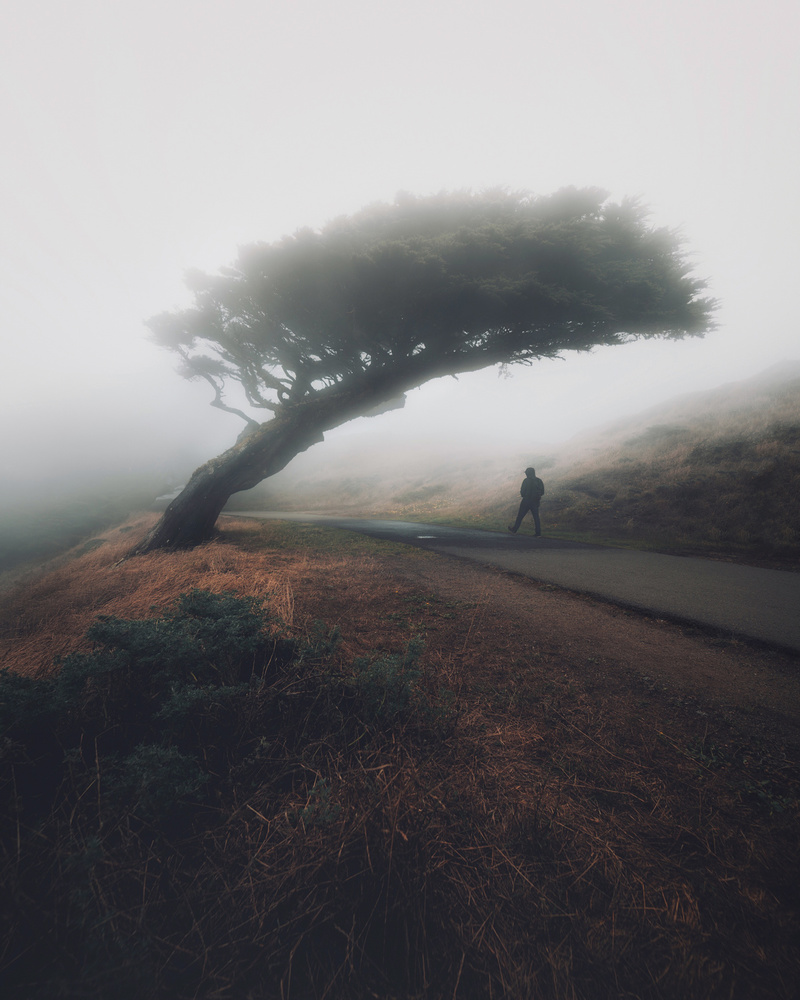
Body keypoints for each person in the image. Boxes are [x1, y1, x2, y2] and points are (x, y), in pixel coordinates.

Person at [508, 467, 544, 535]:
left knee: (520, 516)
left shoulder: (526, 481)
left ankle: (514, 529)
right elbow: (542, 492)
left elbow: (522, 492)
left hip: (526, 501)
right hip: (535, 502)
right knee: (536, 518)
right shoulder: (539, 481)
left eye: (526, 473)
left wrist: (525, 495)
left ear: (528, 473)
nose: (526, 474)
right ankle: (538, 533)